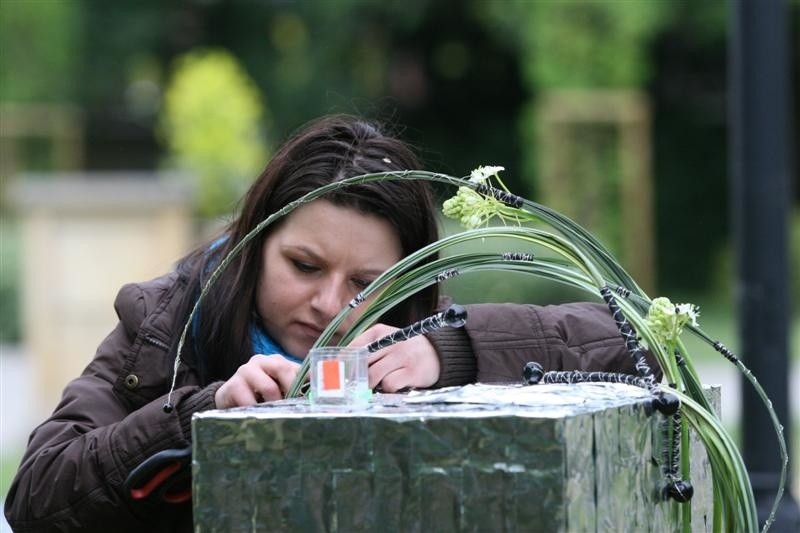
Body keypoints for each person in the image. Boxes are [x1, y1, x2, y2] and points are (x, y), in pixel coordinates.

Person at [4, 115, 660, 532]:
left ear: (407, 281)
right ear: (253, 243)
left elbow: (645, 348)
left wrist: (452, 350)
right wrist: (198, 414)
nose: (329, 304)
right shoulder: (168, 320)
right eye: (304, 264)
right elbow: (34, 496)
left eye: (365, 284)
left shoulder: (421, 330)